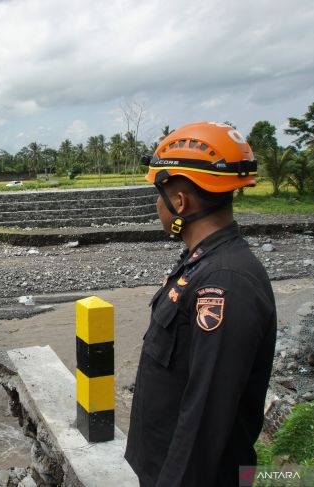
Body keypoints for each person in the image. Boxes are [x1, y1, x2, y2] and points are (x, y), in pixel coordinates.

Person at [125, 122, 276, 486]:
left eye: (159, 194)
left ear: (180, 202)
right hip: (159, 466)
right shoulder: (201, 263)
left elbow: (207, 413)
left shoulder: (225, 282)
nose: (156, 204)